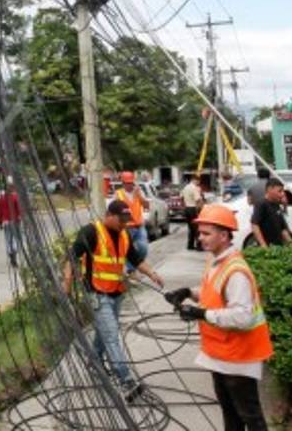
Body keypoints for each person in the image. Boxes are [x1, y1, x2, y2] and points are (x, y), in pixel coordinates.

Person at [167, 204, 273, 431]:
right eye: (200, 232)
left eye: (206, 233)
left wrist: (201, 314)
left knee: (250, 417)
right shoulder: (217, 261)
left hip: (239, 357)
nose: (200, 238)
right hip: (222, 354)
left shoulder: (236, 271)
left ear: (224, 236)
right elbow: (214, 293)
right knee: (231, 415)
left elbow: (242, 316)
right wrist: (188, 293)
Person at [63, 199, 165, 401]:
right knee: (111, 337)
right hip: (97, 294)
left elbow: (136, 260)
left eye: (127, 220)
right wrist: (66, 285)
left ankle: (94, 364)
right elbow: (72, 257)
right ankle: (126, 382)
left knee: (103, 334)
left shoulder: (125, 235)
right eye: (121, 219)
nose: (124, 224)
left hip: (117, 293)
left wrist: (152, 274)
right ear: (109, 215)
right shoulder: (91, 232)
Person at [114, 171, 149, 268]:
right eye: (127, 183)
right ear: (123, 183)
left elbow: (146, 206)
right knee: (127, 250)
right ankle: (131, 270)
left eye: (131, 183)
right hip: (126, 227)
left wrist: (139, 195)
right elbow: (115, 209)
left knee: (143, 248)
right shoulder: (118, 194)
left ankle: (134, 267)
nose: (130, 185)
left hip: (139, 225)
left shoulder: (138, 191)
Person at [250, 179, 292, 247]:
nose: (283, 193)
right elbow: (254, 225)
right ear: (270, 189)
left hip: (278, 247)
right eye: (279, 191)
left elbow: (282, 228)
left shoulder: (276, 204)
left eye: (282, 191)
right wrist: (263, 245)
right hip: (268, 248)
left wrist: (291, 243)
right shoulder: (261, 204)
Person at [0, 181, 21, 267]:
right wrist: (19, 217)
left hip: (5, 222)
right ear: (11, 188)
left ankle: (10, 254)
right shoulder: (14, 197)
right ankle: (14, 254)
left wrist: (0, 222)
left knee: (8, 239)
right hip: (14, 221)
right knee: (14, 238)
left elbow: (0, 212)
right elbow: (18, 209)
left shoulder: (2, 198)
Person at [182, 174, 204, 250]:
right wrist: (201, 209)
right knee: (197, 228)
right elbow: (198, 200)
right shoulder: (194, 188)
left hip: (187, 209)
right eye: (198, 181)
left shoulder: (186, 187)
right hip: (193, 209)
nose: (199, 183)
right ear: (195, 180)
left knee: (191, 228)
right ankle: (199, 246)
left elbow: (181, 197)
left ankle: (190, 245)